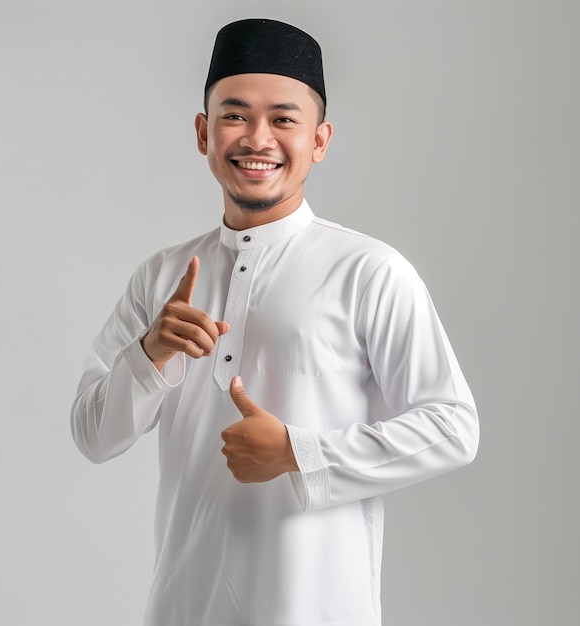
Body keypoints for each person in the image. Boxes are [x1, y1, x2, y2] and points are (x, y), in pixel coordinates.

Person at [71, 18, 479, 626]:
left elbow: (452, 428)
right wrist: (150, 353)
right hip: (184, 608)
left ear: (319, 139)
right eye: (234, 116)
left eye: (284, 119)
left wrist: (297, 451)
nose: (256, 138)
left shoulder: (369, 272)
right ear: (204, 133)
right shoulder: (161, 277)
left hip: (317, 610)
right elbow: (93, 435)